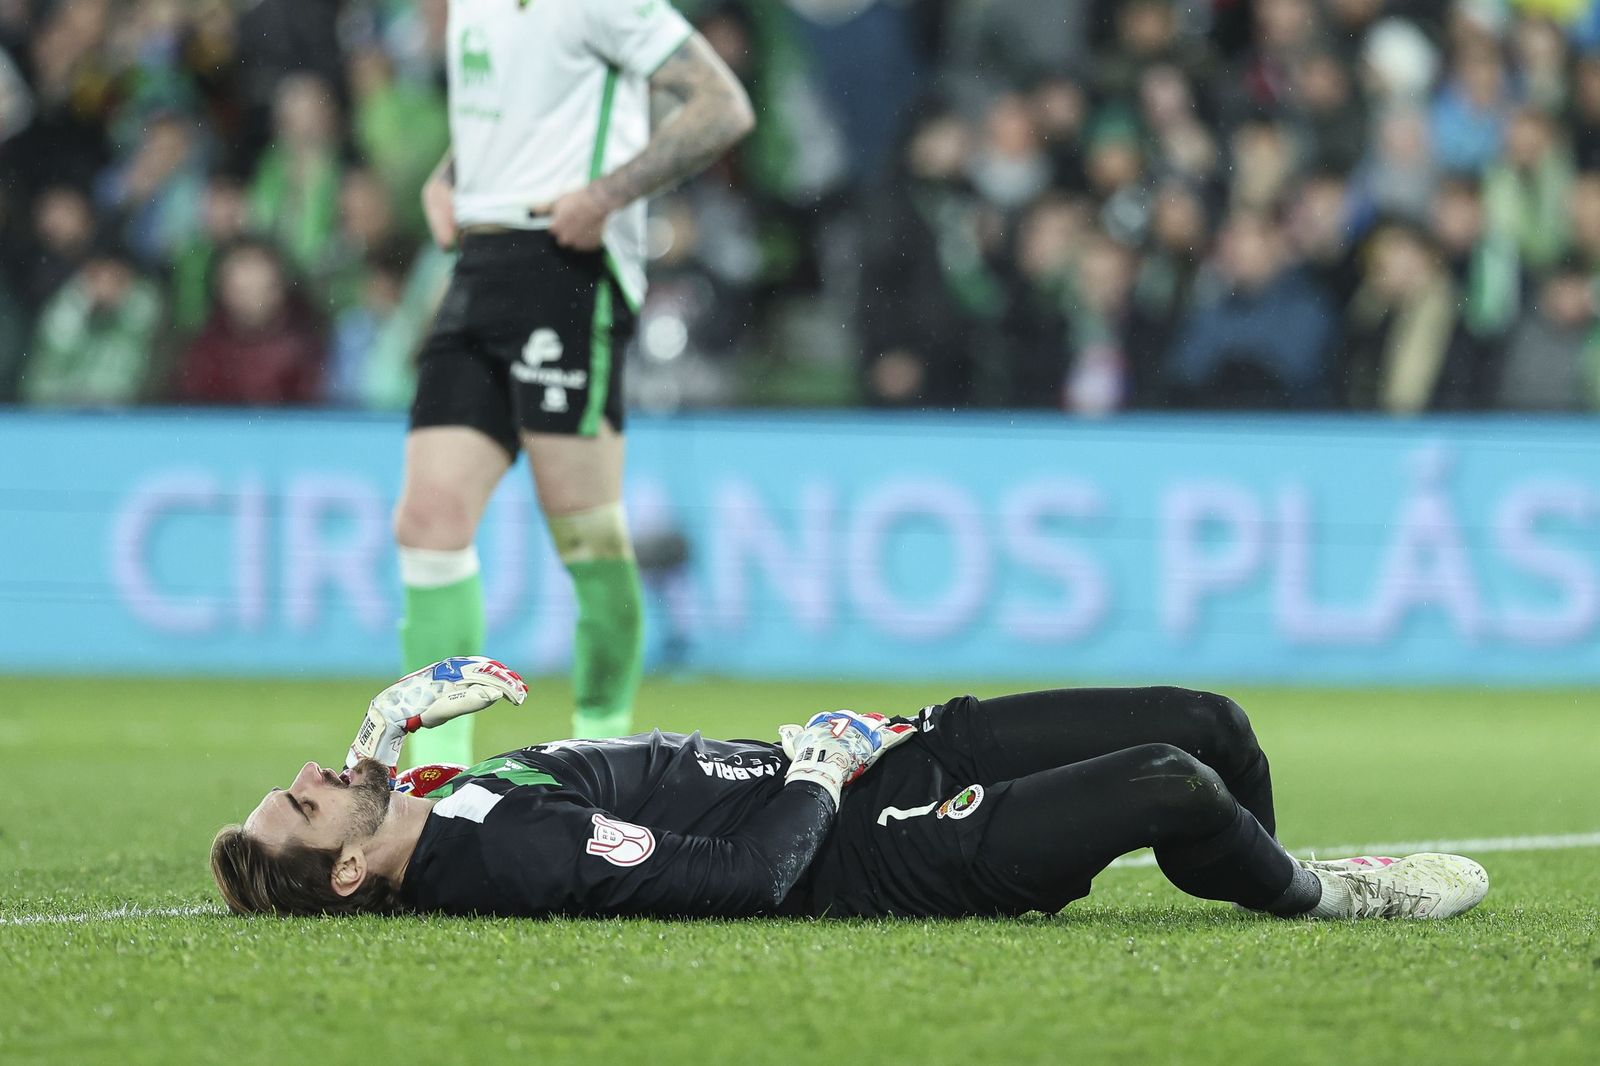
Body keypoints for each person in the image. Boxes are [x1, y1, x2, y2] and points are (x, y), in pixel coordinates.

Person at [211, 659, 1489, 922]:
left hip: (888, 751)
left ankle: (1246, 866)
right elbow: (746, 879)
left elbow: (403, 784)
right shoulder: (502, 864)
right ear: (344, 869)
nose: (319, 778)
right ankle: (1323, 899)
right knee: (1170, 779)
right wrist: (820, 771)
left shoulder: (442, 803)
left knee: (1210, 720)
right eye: (309, 803)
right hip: (873, 845)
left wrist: (382, 731)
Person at [395, 0, 755, 763]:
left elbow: (723, 106)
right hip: (476, 267)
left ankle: (605, 756)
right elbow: (514, 112)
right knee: (428, 520)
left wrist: (604, 197)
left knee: (583, 528)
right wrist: (450, 172)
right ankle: (435, 777)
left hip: (566, 270)